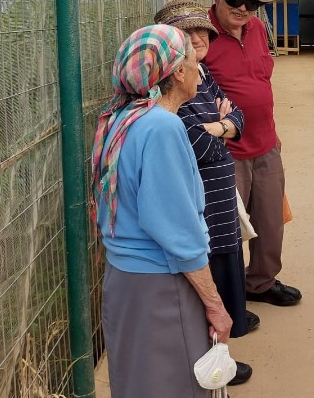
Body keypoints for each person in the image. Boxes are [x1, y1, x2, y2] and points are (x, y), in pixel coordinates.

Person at [92, 24, 233, 398]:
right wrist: (215, 305)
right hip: (161, 286)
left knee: (137, 382)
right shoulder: (162, 128)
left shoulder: (120, 118)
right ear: (179, 72)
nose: (199, 68)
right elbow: (178, 233)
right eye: (191, 58)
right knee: (176, 385)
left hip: (124, 279)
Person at [154, 0, 256, 386]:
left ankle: (218, 353)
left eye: (203, 32)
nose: (199, 38)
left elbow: (239, 115)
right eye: (188, 32)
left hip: (216, 200)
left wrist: (222, 124)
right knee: (200, 283)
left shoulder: (203, 71)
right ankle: (207, 366)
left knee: (221, 274)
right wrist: (220, 126)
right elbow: (195, 145)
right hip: (197, 207)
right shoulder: (167, 83)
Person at [200, 0, 302, 306]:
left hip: (266, 144)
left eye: (251, 3)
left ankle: (259, 282)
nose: (242, 9)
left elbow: (262, 82)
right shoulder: (202, 36)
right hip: (227, 151)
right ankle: (226, 298)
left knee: (270, 222)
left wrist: (273, 133)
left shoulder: (257, 28)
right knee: (226, 228)